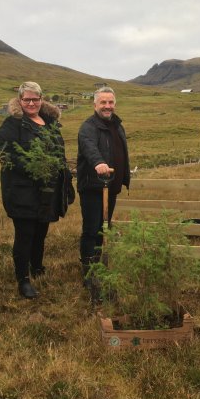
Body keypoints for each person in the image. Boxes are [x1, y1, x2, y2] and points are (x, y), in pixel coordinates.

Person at [0, 81, 71, 299]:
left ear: (42, 100)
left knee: (41, 231)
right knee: (25, 234)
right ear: (20, 100)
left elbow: (59, 152)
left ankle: (37, 267)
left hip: (47, 190)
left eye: (35, 99)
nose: (31, 103)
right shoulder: (12, 125)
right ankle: (23, 279)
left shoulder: (50, 122)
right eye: (27, 99)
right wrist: (35, 167)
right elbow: (5, 156)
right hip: (22, 191)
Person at [77, 86, 130, 301]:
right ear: (95, 105)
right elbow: (89, 147)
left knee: (105, 227)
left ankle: (100, 263)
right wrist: (99, 163)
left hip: (111, 186)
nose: (107, 106)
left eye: (110, 102)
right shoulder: (88, 127)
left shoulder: (117, 124)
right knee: (92, 228)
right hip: (93, 186)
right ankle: (89, 271)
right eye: (103, 103)